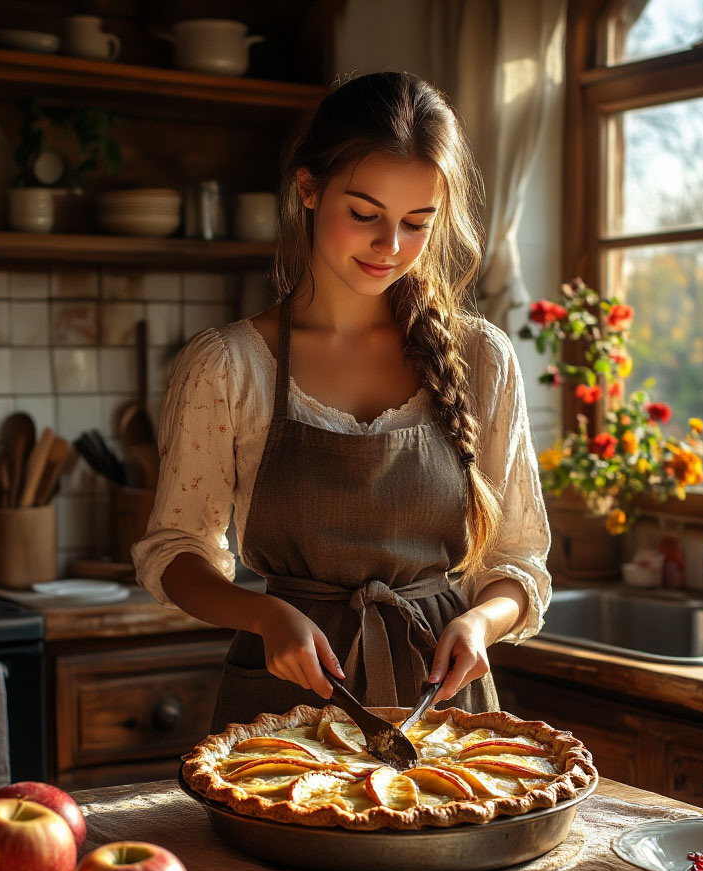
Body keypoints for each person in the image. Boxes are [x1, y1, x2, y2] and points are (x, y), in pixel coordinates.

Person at [132, 71, 551, 732]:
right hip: (281, 708)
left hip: (441, 711)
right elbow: (175, 551)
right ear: (308, 188)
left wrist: (479, 621)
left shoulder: (481, 358)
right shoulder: (229, 364)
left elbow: (518, 562)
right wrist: (263, 614)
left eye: (418, 223)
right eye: (365, 214)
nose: (391, 247)